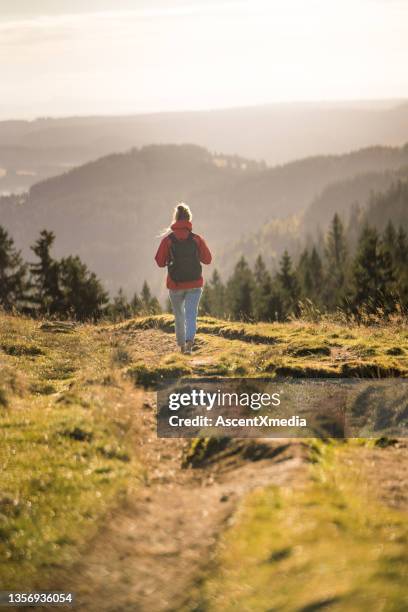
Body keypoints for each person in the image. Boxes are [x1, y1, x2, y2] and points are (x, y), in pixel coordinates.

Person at [155, 203, 212, 354]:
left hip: (175, 284)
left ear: (175, 219)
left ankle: (181, 347)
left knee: (179, 315)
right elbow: (208, 260)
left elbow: (159, 262)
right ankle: (190, 342)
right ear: (189, 219)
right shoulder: (196, 239)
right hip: (194, 283)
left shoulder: (168, 240)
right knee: (191, 313)